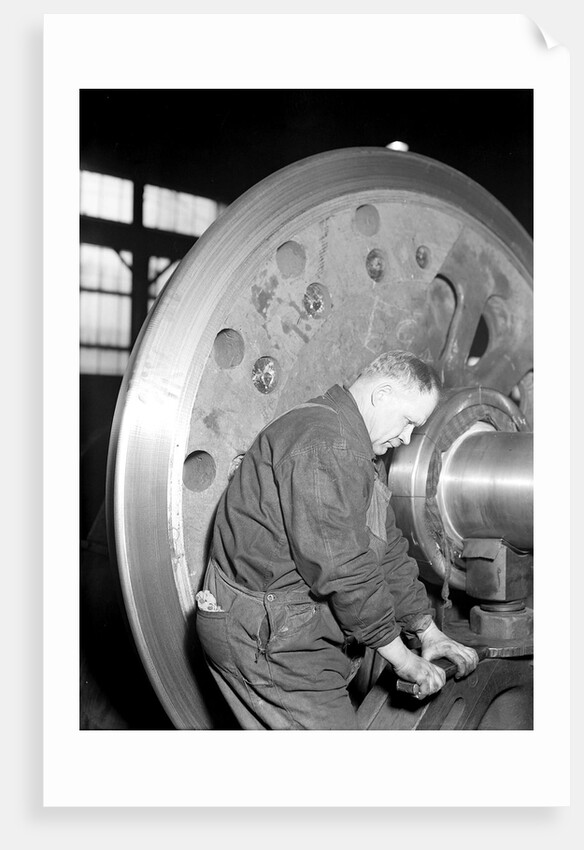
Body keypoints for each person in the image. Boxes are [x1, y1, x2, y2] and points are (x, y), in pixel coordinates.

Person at [196, 350, 478, 729]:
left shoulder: (355, 445)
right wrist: (402, 658)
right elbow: (344, 569)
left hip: (288, 623)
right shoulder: (325, 445)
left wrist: (425, 630)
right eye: (408, 421)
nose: (407, 437)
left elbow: (385, 548)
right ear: (382, 394)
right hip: (266, 635)